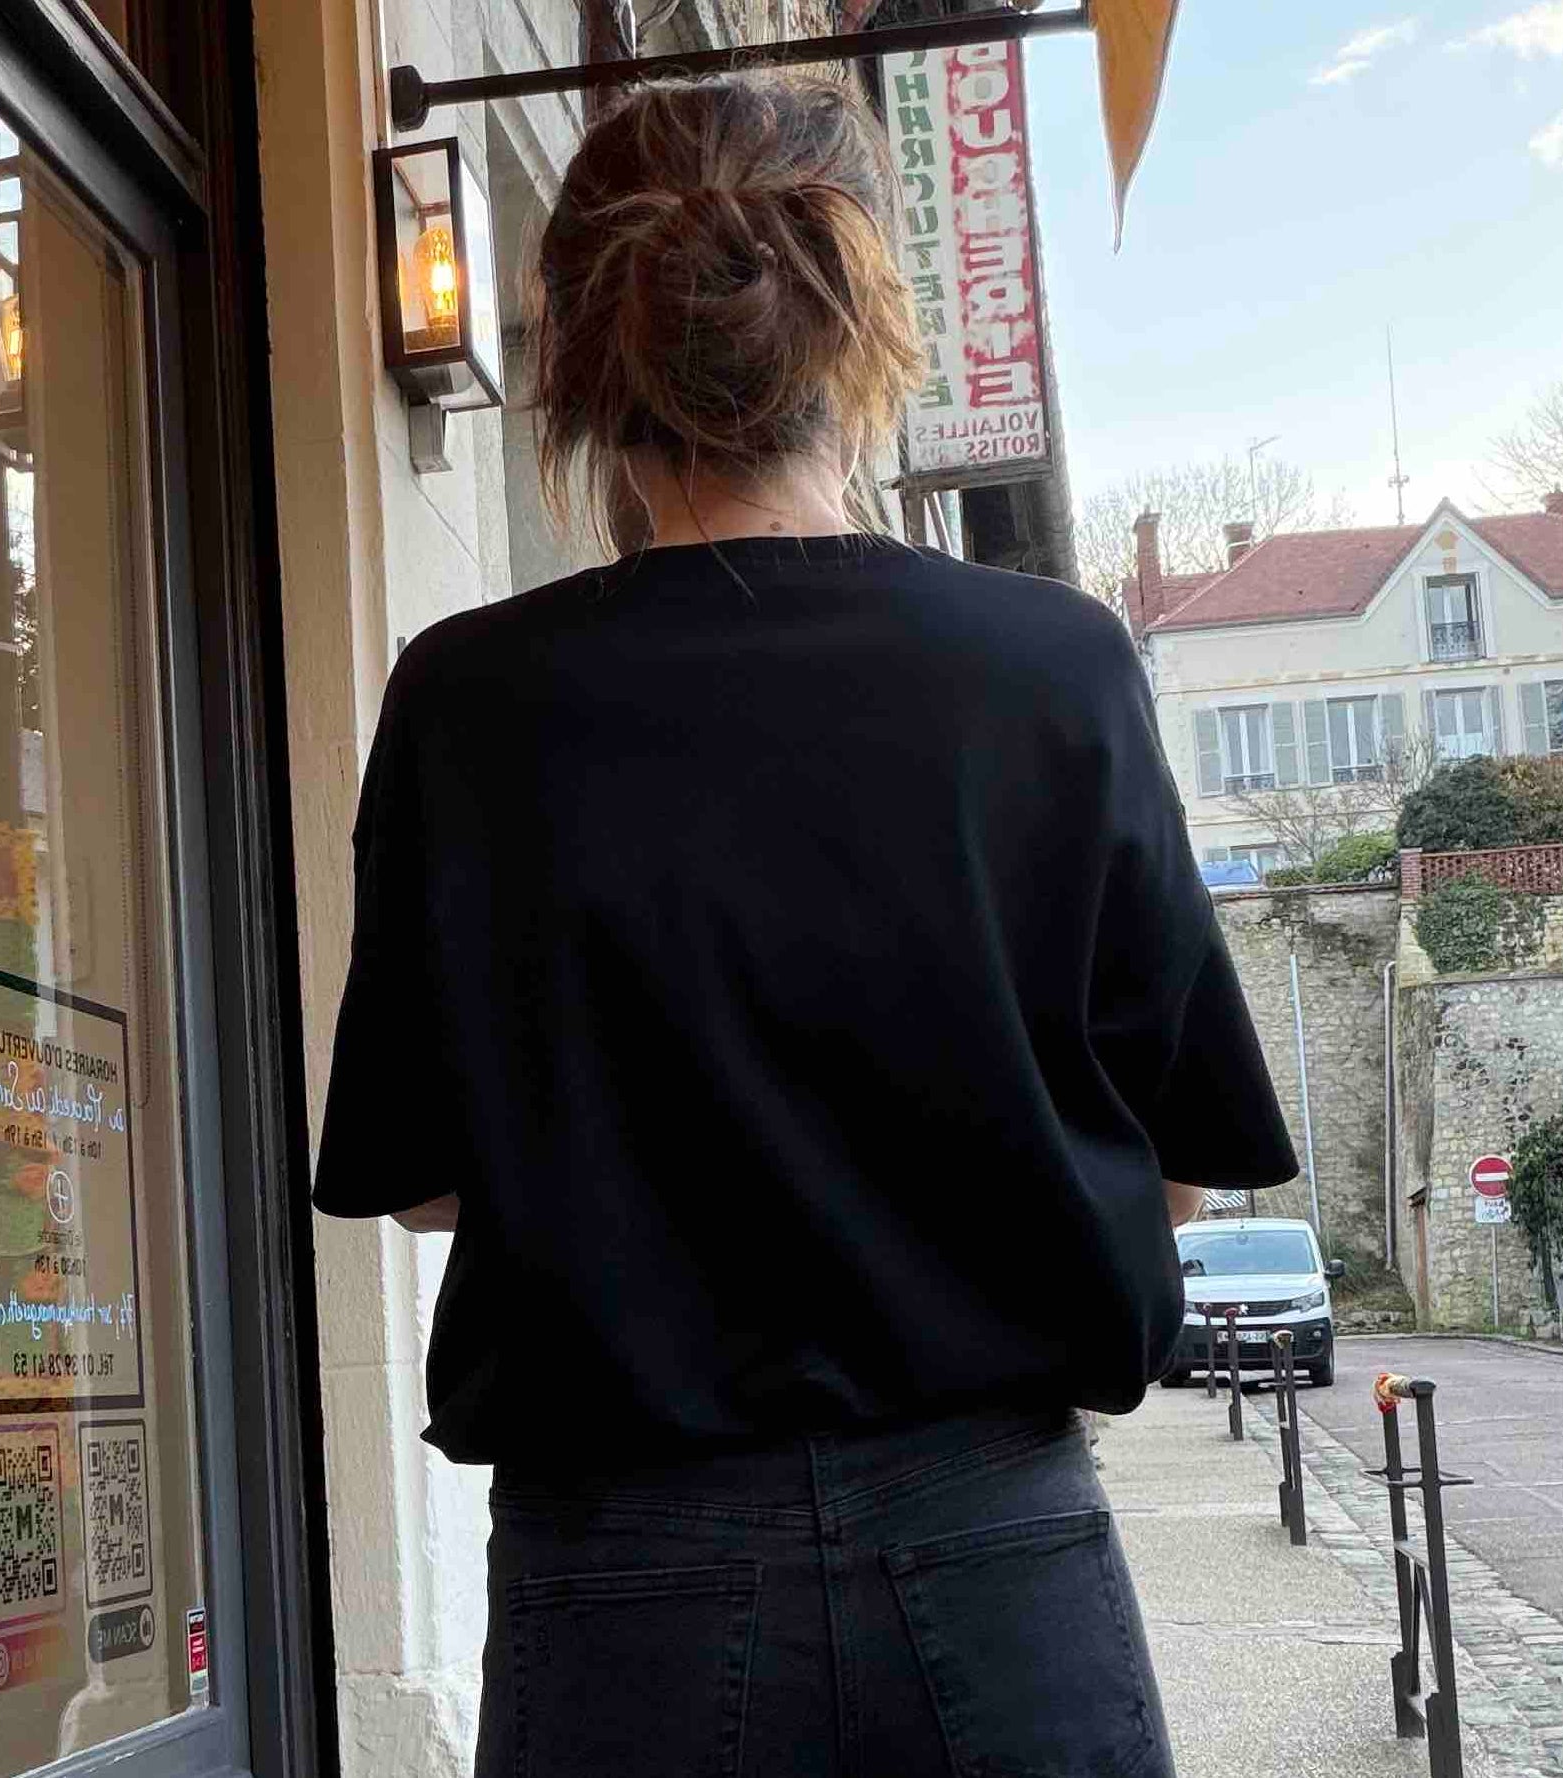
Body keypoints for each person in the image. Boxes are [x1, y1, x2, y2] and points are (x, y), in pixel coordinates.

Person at [313, 71, 1297, 1778]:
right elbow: (1179, 1157)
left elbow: (422, 1177)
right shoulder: (1050, 669)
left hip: (622, 1577)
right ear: (857, 336)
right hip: (993, 1544)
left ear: (582, 357)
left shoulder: (469, 701)